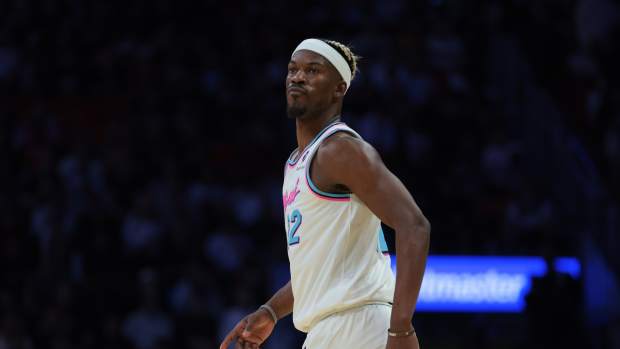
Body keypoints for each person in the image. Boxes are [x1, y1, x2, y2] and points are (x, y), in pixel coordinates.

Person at [219, 38, 430, 349]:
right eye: (292, 70)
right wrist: (271, 311)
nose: (298, 77)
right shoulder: (296, 163)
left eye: (313, 70)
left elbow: (414, 226)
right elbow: (321, 268)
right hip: (328, 330)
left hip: (358, 325)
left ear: (339, 88)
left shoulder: (341, 150)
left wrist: (400, 329)